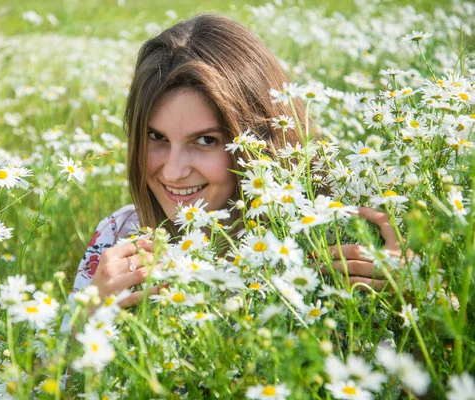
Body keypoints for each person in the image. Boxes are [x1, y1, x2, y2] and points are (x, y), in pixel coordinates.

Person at [68, 14, 405, 312]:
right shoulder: (119, 236)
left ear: (261, 140)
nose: (172, 171)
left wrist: (409, 293)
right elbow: (56, 377)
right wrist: (85, 322)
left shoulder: (331, 242)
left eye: (205, 141)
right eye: (156, 137)